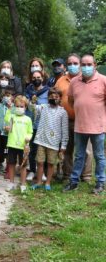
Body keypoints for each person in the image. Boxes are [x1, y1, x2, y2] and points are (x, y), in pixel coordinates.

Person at [64, 54, 106, 194]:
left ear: (95, 65)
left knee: (99, 156)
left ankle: (100, 183)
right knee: (79, 155)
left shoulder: (103, 80)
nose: (86, 67)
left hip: (98, 126)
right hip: (80, 125)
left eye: (89, 64)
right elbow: (71, 100)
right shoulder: (74, 81)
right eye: (84, 64)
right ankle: (74, 181)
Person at [55, 53, 92, 182]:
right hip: (66, 120)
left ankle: (86, 175)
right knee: (67, 148)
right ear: (66, 66)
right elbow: (56, 98)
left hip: (84, 120)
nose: (72, 66)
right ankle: (68, 174)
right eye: (70, 63)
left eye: (75, 63)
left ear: (80, 66)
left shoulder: (86, 79)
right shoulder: (60, 80)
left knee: (85, 149)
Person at [30, 88, 68, 191]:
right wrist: (32, 100)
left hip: (54, 143)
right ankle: (38, 181)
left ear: (60, 98)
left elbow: (65, 130)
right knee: (40, 162)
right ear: (48, 97)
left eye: (56, 97)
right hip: (41, 140)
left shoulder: (63, 112)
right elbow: (31, 107)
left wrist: (63, 145)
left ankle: (47, 183)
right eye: (51, 96)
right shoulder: (43, 107)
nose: (53, 98)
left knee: (51, 163)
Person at [4, 95, 33, 193]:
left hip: (23, 146)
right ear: (14, 106)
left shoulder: (28, 119)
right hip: (12, 145)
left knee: (23, 165)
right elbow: (6, 119)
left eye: (22, 106)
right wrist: (9, 108)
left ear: (25, 107)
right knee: (11, 164)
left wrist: (29, 137)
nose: (19, 108)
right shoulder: (12, 117)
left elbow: (30, 131)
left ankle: (23, 184)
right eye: (17, 106)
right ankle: (11, 182)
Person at [24, 70, 50, 181]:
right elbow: (24, 104)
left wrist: (40, 106)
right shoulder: (28, 90)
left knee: (42, 148)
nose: (36, 79)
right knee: (32, 148)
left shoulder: (47, 91)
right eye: (34, 78)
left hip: (42, 123)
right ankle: (32, 170)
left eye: (38, 77)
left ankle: (42, 172)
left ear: (43, 77)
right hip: (30, 123)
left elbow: (50, 105)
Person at [0, 86, 15, 177]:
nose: (7, 97)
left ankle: (8, 170)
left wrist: (11, 127)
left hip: (8, 135)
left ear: (12, 97)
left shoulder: (14, 108)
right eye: (5, 95)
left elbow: (16, 120)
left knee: (8, 153)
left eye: (9, 95)